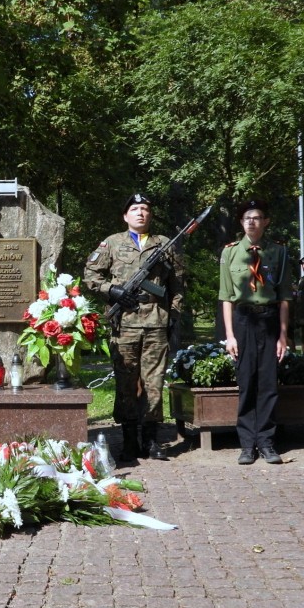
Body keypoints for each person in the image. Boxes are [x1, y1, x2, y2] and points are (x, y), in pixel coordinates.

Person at [84, 193, 184, 462]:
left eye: (145, 209)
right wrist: (113, 291)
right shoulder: (111, 244)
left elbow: (177, 284)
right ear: (125, 215)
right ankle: (129, 442)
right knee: (126, 383)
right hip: (125, 323)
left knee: (154, 383)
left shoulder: (165, 244)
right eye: (135, 209)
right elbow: (91, 276)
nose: (141, 213)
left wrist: (174, 315)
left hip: (156, 322)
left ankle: (151, 441)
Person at [218, 199, 294, 465]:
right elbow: (226, 297)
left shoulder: (279, 252)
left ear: (266, 222)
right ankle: (247, 445)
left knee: (268, 383)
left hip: (270, 321)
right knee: (247, 382)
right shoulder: (230, 253)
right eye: (247, 217)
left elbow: (284, 297)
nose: (251, 221)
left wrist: (283, 335)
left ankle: (267, 441)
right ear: (241, 222)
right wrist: (230, 335)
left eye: (257, 217)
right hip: (243, 321)